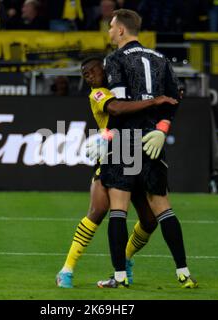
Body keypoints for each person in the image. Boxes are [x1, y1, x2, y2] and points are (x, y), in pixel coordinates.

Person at [55, 56, 178, 288]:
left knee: (150, 220)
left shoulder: (125, 89)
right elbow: (117, 109)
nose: (88, 76)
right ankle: (67, 269)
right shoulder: (99, 94)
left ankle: (126, 259)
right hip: (113, 155)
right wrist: (153, 102)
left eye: (91, 71)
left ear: (105, 70)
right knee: (98, 209)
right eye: (85, 74)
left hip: (137, 154)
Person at [96, 9, 197, 289]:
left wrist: (106, 134)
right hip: (152, 140)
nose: (109, 32)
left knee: (119, 209)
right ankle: (184, 272)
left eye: (111, 27)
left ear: (121, 31)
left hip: (125, 139)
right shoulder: (161, 58)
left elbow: (119, 105)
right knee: (163, 208)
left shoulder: (114, 59)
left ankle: (119, 277)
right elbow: (175, 98)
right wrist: (162, 129)